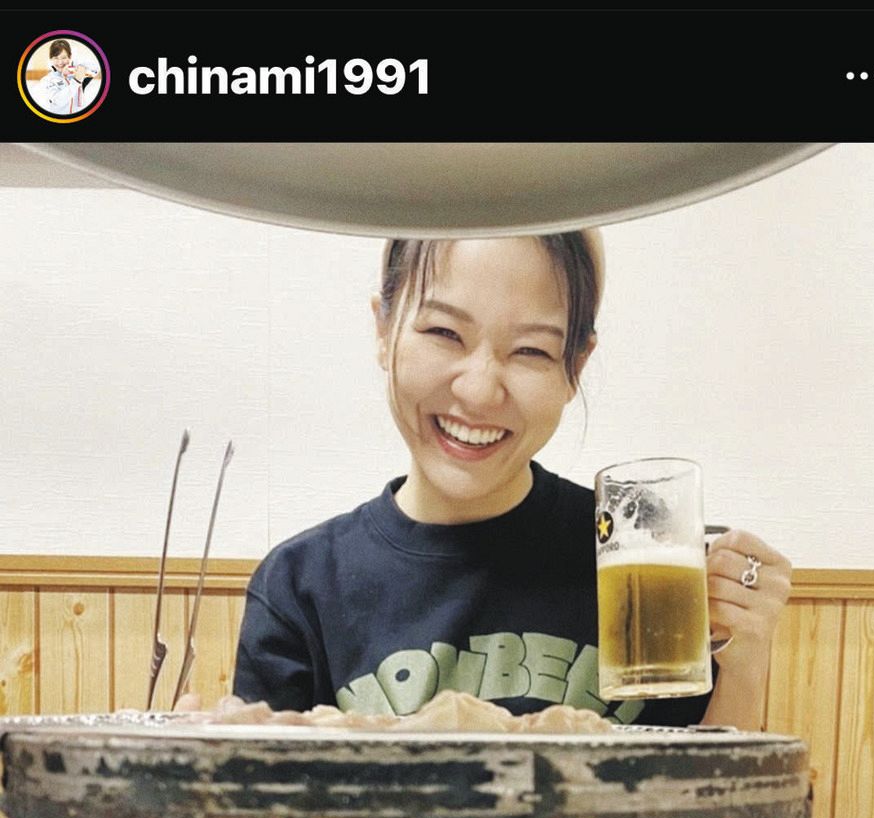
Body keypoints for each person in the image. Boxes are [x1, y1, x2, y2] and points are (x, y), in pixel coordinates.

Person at [232, 232, 791, 731]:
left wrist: (745, 662)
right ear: (384, 329)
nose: (479, 391)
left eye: (531, 350)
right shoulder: (300, 585)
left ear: (576, 365)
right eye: (444, 332)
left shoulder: (634, 561)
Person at [39, 39, 100, 116]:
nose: (60, 62)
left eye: (64, 58)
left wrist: (74, 66)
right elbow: (58, 101)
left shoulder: (77, 73)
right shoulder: (47, 80)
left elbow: (96, 68)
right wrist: (76, 81)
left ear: (70, 57)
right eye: (56, 58)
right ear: (51, 59)